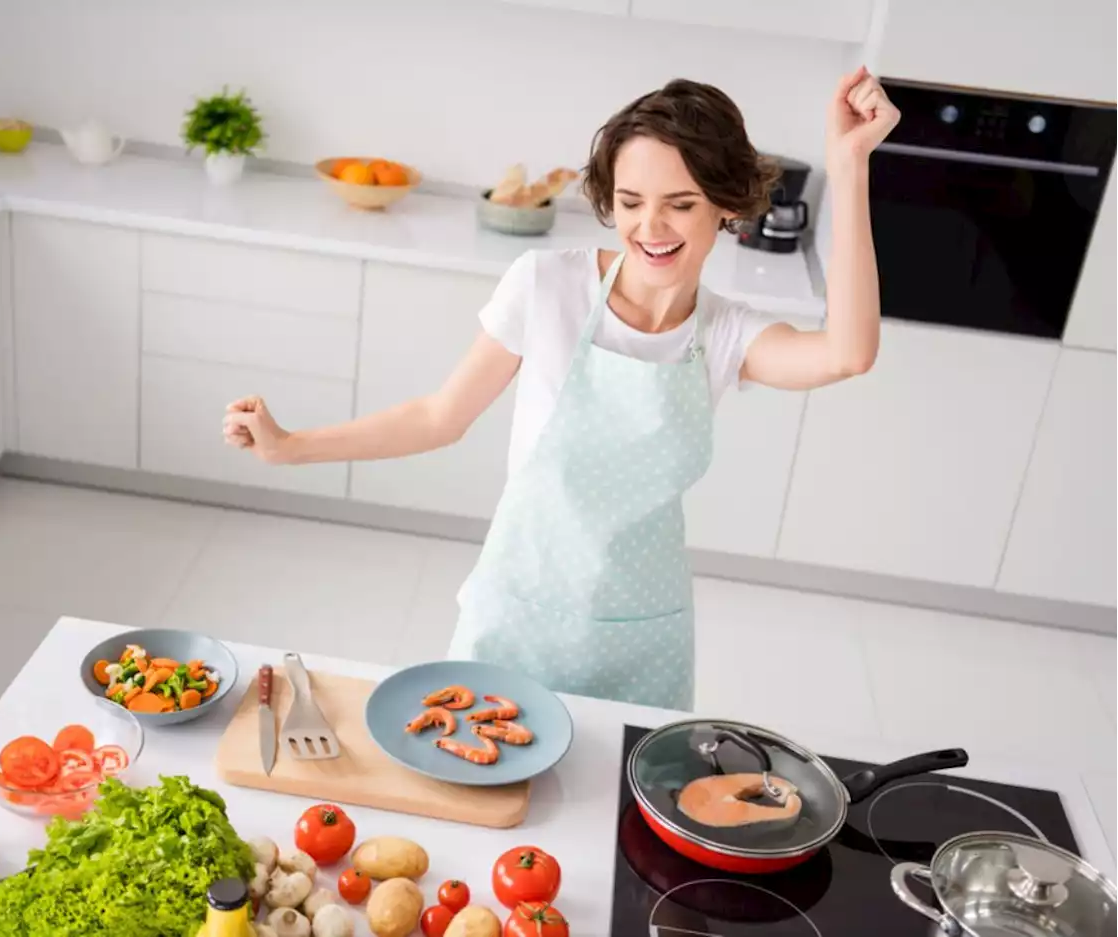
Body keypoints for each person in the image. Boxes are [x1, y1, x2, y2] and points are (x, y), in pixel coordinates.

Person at [223, 68, 900, 710]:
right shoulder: (547, 286)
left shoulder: (724, 334)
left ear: (725, 207)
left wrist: (849, 169)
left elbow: (848, 353)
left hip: (643, 634)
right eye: (632, 203)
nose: (650, 228)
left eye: (680, 205)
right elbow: (438, 416)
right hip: (518, 614)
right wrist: (290, 446)